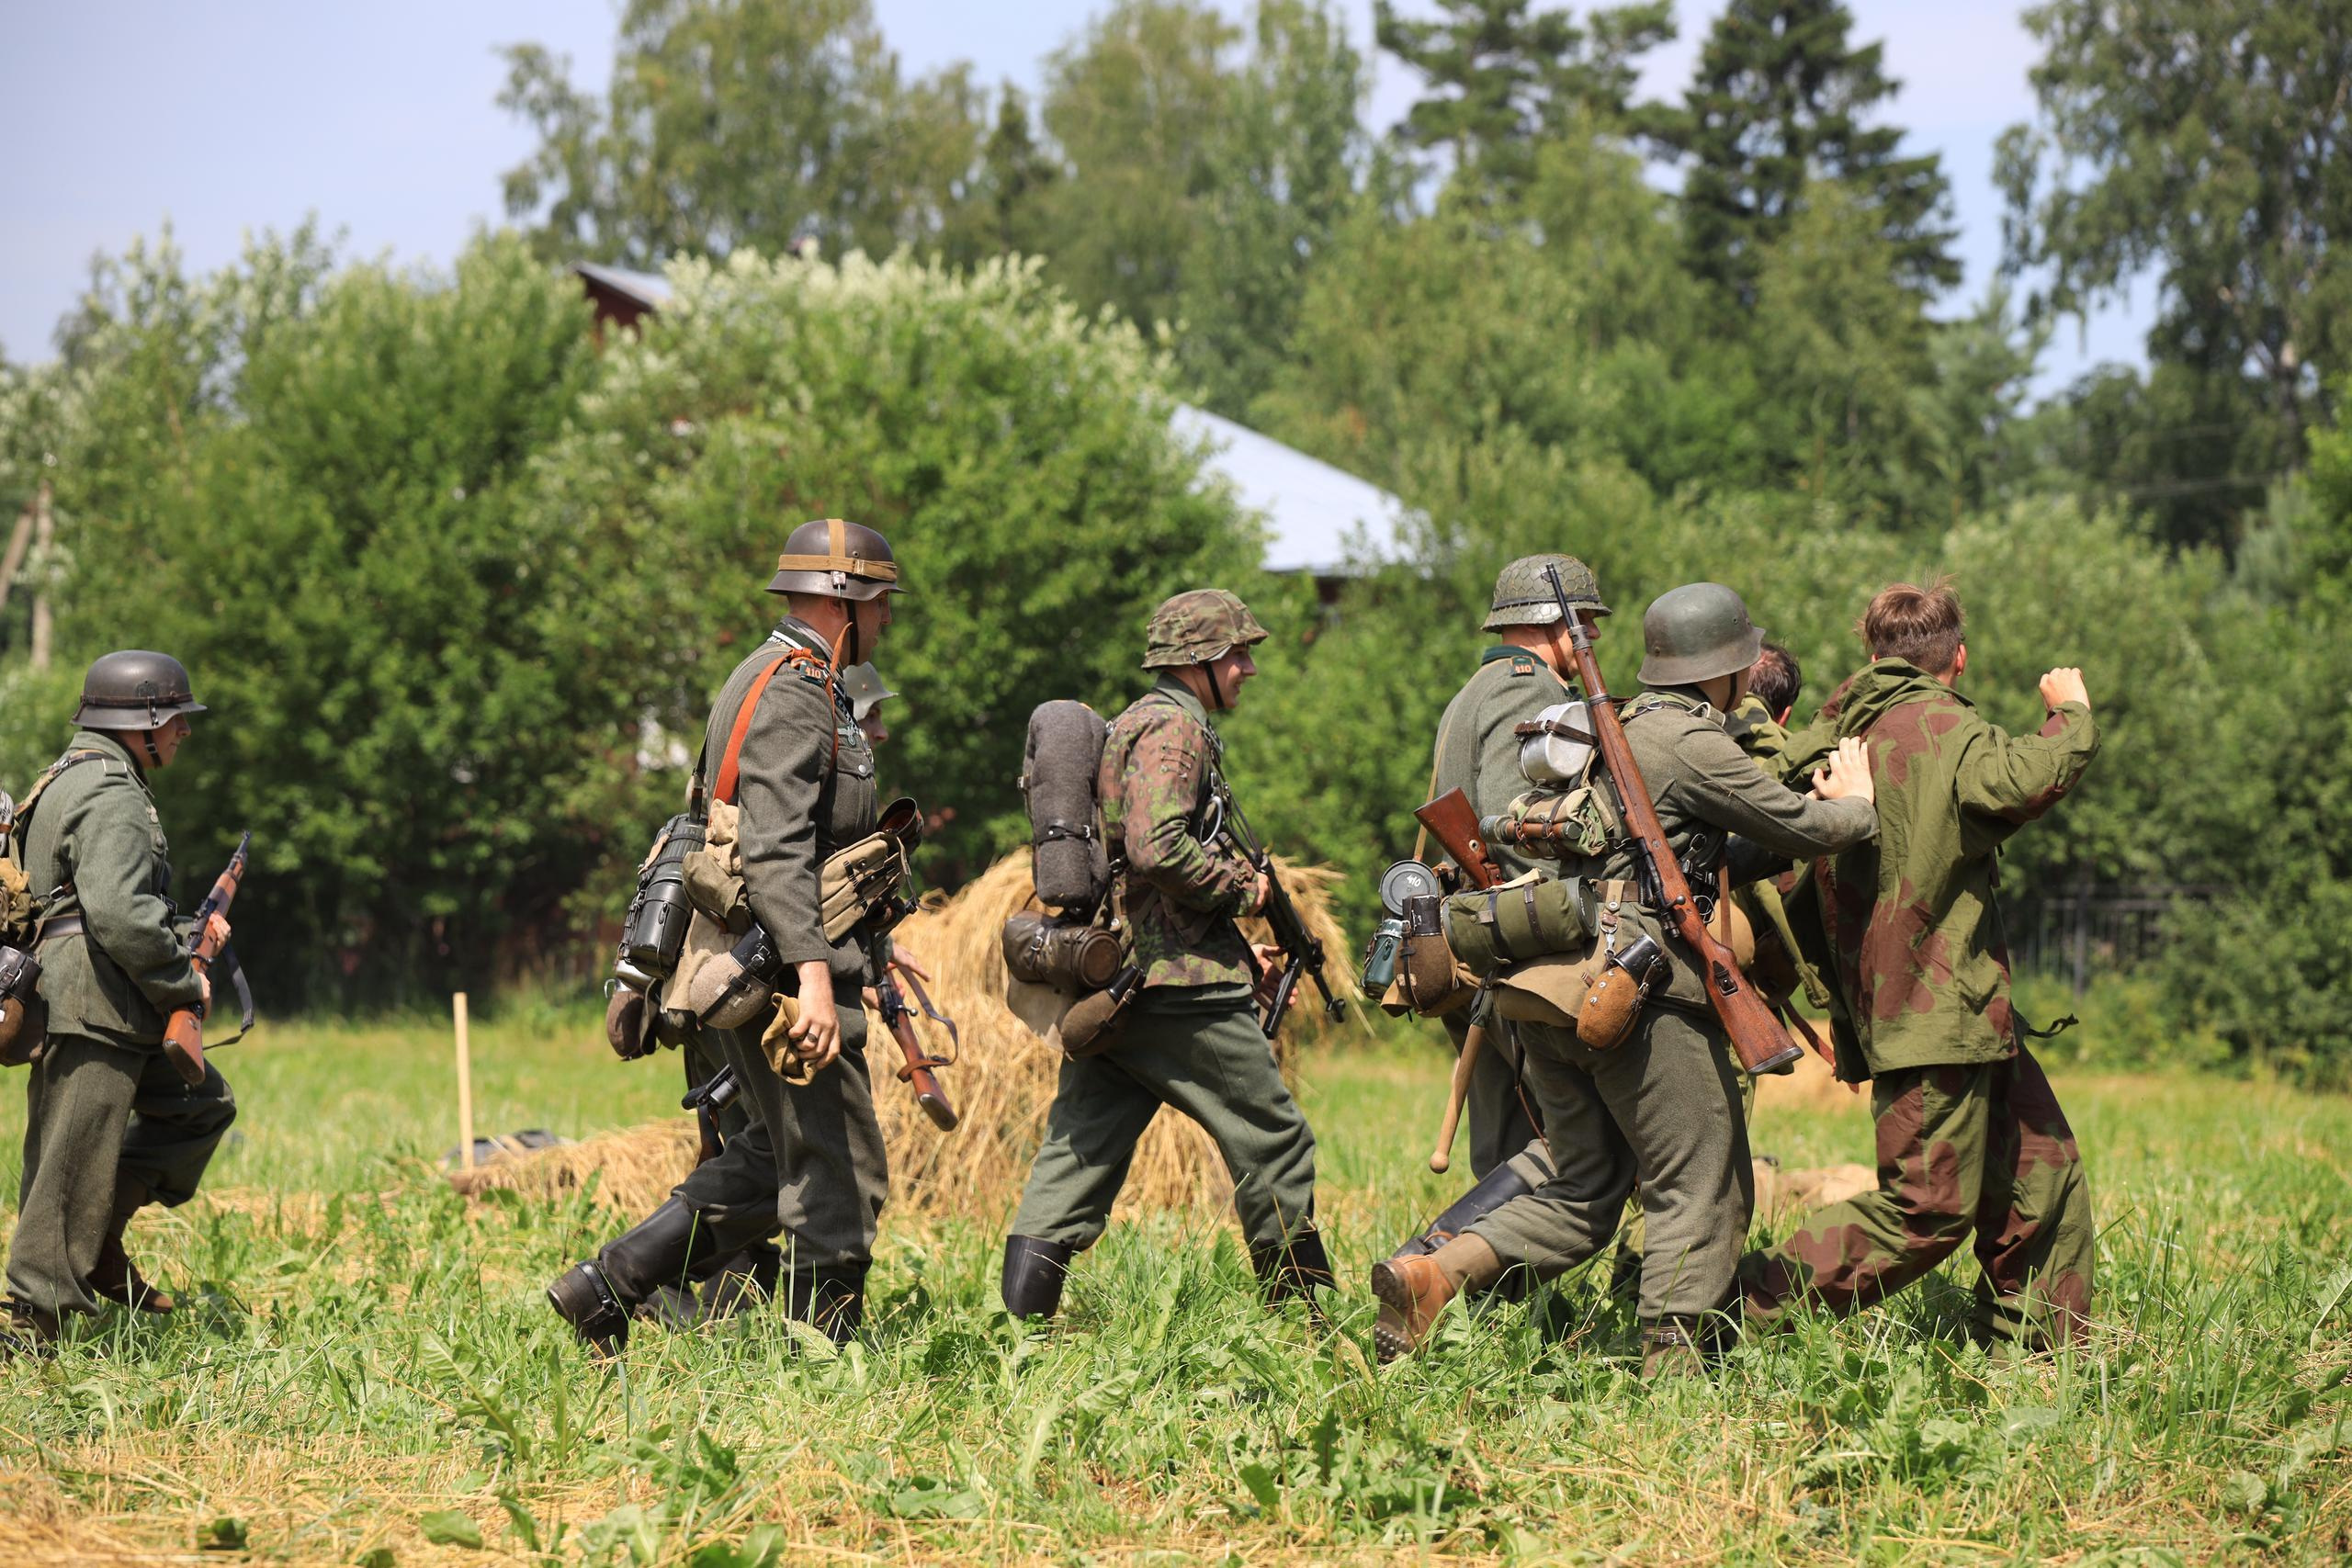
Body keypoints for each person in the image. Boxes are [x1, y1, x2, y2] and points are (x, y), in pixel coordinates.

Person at [1373, 583, 1880, 1374]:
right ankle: (1673, 1379)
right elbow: (1802, 825)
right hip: (1640, 990)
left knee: (1583, 1187)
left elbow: (1668, 850)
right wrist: (1858, 805)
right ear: (1730, 667)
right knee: (1703, 1182)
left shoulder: (1601, 727)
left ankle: (1436, 1272)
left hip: (1552, 983)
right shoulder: (1690, 739)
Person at [549, 518, 907, 1350]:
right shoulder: (793, 690)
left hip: (771, 959)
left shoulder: (787, 677)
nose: (888, 621)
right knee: (839, 1171)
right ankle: (827, 1360)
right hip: (782, 972)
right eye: (882, 603)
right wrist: (815, 976)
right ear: (845, 601)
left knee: (772, 1157)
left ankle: (609, 1285)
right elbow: (775, 849)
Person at [1738, 580, 2098, 1351]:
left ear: (1873, 654)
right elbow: (2035, 774)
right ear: (1957, 658)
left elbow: (1763, 754)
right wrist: (2070, 709)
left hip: (1960, 1014)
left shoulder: (1835, 733)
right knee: (1924, 1209)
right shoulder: (1951, 733)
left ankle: (2038, 1352)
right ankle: (1737, 1308)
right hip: (1933, 1015)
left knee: (2044, 1171)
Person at [1000, 590, 1329, 1320]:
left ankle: (1020, 1333)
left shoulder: (1137, 724)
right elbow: (1156, 845)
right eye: (1235, 654)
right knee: (1275, 1138)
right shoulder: (1175, 730)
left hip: (1122, 982)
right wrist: (1244, 888)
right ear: (1197, 663)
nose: (1247, 667)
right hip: (1180, 984)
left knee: (1077, 1151)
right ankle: (1310, 1326)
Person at [1378, 556, 1607, 1298]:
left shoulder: (1471, 692)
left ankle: (1487, 1306)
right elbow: (1519, 832)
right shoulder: (1529, 689)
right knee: (1558, 1146)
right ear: (1555, 623)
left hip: (1466, 938)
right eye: (1587, 620)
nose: (1594, 633)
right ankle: (1431, 1268)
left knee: (1507, 1137)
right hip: (1514, 944)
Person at [4, 651, 237, 1352]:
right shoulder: (110, 790)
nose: (182, 733)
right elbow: (121, 914)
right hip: (94, 1001)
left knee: (199, 1105)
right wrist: (184, 979)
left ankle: (99, 1230)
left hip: (101, 994)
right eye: (175, 719)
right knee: (70, 1158)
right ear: (143, 722)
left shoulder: (65, 777)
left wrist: (192, 934)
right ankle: (28, 1327)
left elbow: (102, 902)